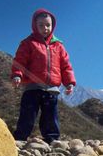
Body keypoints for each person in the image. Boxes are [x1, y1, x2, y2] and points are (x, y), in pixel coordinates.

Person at [11, 8, 76, 143]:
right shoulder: (28, 43)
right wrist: (17, 75)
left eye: (48, 25)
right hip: (32, 87)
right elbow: (20, 61)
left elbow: (65, 66)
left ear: (52, 26)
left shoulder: (58, 46)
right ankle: (20, 138)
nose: (45, 28)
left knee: (50, 116)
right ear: (35, 26)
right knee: (28, 114)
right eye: (41, 25)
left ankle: (52, 139)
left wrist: (69, 83)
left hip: (51, 88)